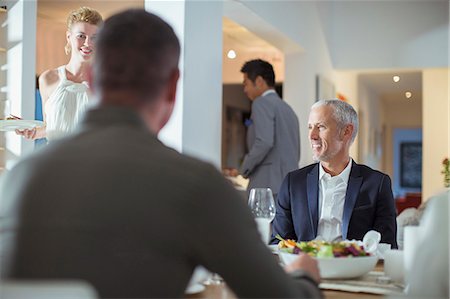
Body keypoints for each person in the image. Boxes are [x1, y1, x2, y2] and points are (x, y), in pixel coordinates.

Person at [0, 9, 322, 298]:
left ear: (93, 80)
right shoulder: (196, 185)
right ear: (172, 87)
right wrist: (306, 277)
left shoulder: (17, 179)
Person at [271, 99, 398, 248]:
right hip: (304, 269)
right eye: (310, 127)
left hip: (353, 270)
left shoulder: (377, 184)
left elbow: (386, 247)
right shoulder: (293, 183)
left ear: (346, 132)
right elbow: (279, 243)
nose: (312, 135)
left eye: (321, 127)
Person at [16, 7, 102, 141]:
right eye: (81, 36)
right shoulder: (48, 79)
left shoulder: (105, 81)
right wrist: (32, 131)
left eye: (94, 38)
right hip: (54, 160)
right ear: (69, 37)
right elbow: (50, 126)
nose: (87, 43)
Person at [229, 59, 300, 198]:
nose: (245, 90)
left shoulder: (260, 103)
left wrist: (243, 169)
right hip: (289, 186)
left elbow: (264, 142)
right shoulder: (288, 109)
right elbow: (295, 152)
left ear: (260, 81)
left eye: (246, 84)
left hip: (267, 186)